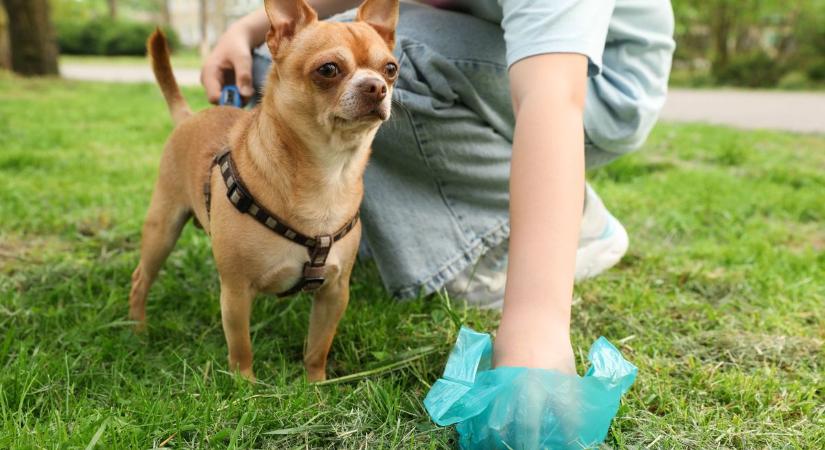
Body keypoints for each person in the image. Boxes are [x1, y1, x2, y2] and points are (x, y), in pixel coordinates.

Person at [203, 0, 673, 382]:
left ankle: (535, 233)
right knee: (284, 61)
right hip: (501, 42)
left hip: (602, 79)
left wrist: (537, 325)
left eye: (386, 72)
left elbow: (552, 97)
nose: (376, 85)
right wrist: (245, 30)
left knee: (403, 55)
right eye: (332, 71)